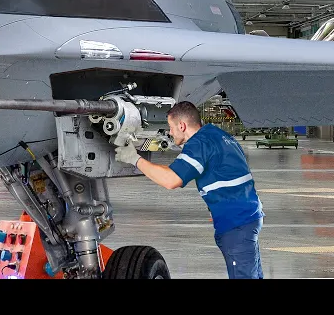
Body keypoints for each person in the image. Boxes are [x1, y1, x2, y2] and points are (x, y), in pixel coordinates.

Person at [114, 101, 265, 279]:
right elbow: (182, 171)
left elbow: (171, 180)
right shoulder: (218, 135)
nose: (170, 133)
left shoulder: (200, 143)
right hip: (247, 217)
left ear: (182, 125)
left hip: (236, 223)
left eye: (171, 127)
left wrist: (135, 159)